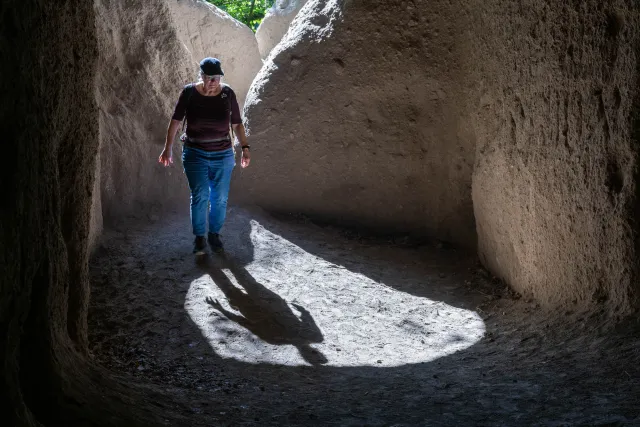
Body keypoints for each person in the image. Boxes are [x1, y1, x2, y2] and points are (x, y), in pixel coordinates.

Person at [158, 57, 250, 255]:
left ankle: (214, 234)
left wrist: (245, 147)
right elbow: (175, 121)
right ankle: (199, 238)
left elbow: (237, 124)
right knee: (200, 195)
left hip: (223, 154)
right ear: (201, 76)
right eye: (209, 78)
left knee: (220, 198)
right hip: (195, 152)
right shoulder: (189, 92)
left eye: (216, 78)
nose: (212, 82)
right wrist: (167, 148)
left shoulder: (228, 94)